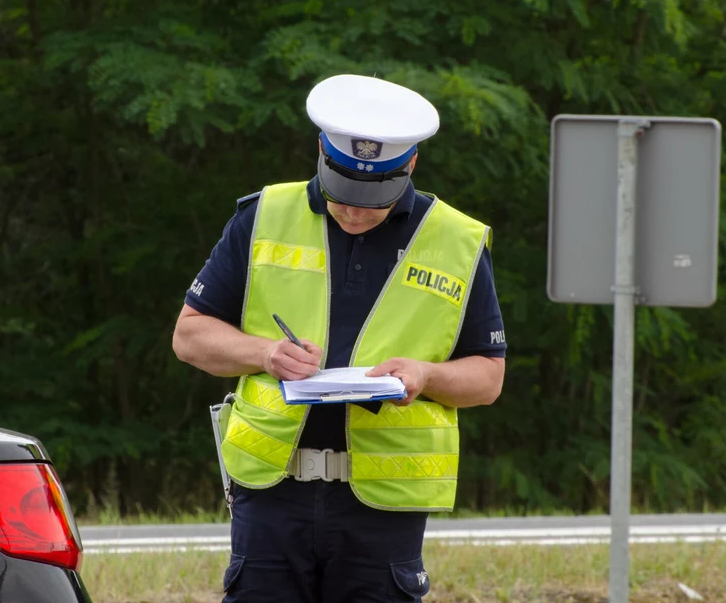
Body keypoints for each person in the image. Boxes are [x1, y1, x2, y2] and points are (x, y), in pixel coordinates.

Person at [172, 74, 506, 603]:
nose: (353, 210)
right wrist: (264, 352)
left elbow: (488, 377)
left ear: (411, 165)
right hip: (271, 497)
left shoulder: (456, 241)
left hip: (382, 510)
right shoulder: (264, 216)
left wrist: (427, 375)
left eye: (371, 199)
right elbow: (190, 336)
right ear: (321, 156)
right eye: (342, 192)